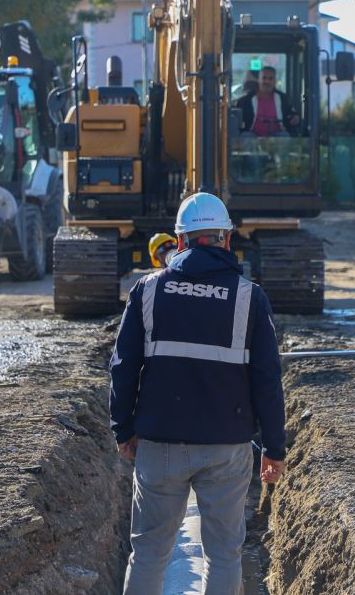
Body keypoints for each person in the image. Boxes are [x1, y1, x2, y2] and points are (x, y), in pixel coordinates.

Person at [110, 193, 286, 594]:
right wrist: (274, 448)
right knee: (224, 554)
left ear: (180, 240)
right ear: (226, 239)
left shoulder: (148, 290)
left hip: (160, 442)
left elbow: (122, 366)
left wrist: (123, 429)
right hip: (228, 445)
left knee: (150, 552)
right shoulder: (249, 297)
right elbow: (267, 380)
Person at [236, 66, 299, 136]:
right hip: (253, 135)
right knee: (246, 136)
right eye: (264, 78)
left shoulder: (283, 98)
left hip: (277, 136)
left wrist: (295, 118)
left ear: (275, 81)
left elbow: (292, 113)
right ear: (258, 80)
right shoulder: (246, 100)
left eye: (270, 78)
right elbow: (237, 117)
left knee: (284, 136)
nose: (267, 81)